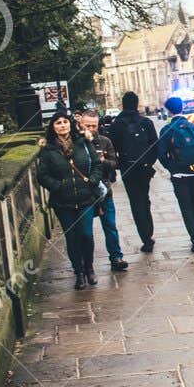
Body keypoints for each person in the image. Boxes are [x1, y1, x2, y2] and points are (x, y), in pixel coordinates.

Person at [36, 106, 105, 289]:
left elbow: (97, 165)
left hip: (85, 198)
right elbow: (42, 175)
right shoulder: (48, 150)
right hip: (63, 202)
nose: (62, 125)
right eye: (58, 123)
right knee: (72, 238)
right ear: (53, 127)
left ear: (70, 124)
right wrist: (58, 186)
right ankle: (79, 272)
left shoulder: (83, 142)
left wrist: (92, 181)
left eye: (65, 121)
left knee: (86, 235)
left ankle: (89, 267)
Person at [156, 94, 194, 253]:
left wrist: (172, 168)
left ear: (168, 111)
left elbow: (161, 155)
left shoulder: (166, 130)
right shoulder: (193, 128)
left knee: (185, 208)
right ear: (183, 108)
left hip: (179, 176)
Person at [108, 91, 160, 252]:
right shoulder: (146, 122)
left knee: (136, 202)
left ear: (122, 105)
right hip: (145, 168)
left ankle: (146, 238)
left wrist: (119, 166)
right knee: (145, 199)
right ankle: (149, 232)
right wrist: (148, 163)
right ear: (137, 104)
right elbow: (155, 146)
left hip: (128, 168)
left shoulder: (117, 124)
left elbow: (112, 148)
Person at [77, 108, 128, 273]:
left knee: (110, 225)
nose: (92, 129)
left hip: (104, 190)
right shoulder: (76, 143)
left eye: (94, 125)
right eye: (88, 126)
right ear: (81, 124)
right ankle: (86, 263)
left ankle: (116, 257)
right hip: (84, 193)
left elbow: (115, 164)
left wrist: (104, 161)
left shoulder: (105, 141)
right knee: (85, 232)